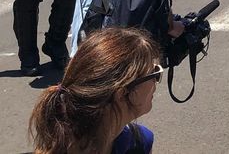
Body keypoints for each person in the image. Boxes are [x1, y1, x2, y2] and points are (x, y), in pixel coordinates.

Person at [30, 27, 163, 154]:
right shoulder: (137, 145)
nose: (156, 81)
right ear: (122, 94)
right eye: (153, 73)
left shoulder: (140, 142)